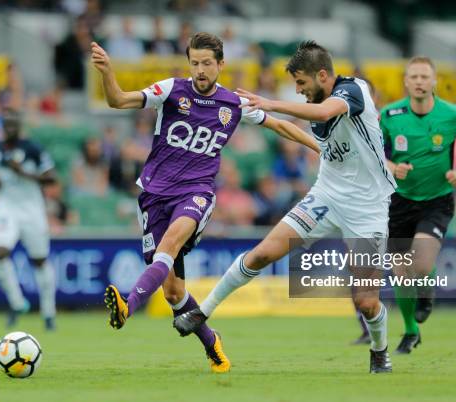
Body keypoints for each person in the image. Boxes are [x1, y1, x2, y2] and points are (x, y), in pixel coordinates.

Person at [91, 32, 319, 374]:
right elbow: (118, 101)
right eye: (195, 63)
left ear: (221, 64)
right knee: (173, 293)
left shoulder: (234, 104)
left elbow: (280, 125)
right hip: (154, 194)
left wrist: (320, 148)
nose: (200, 70)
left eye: (207, 63)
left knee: (170, 244)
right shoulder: (170, 91)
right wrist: (108, 72)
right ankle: (212, 342)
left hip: (196, 192)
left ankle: (128, 304)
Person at [174, 40, 397, 373]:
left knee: (366, 302)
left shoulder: (354, 91)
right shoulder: (316, 100)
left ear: (323, 75)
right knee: (264, 252)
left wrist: (271, 103)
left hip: (368, 209)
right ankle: (202, 311)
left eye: (302, 83)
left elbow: (323, 113)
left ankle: (379, 350)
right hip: (326, 196)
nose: (299, 90)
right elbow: (297, 125)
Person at [379, 56, 456, 354]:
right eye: (413, 76)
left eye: (424, 77)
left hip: (436, 201)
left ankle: (426, 292)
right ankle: (411, 332)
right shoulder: (389, 114)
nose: (418, 82)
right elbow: (371, 149)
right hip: (398, 202)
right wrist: (390, 165)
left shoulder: (454, 115)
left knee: (422, 263)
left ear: (434, 81)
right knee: (401, 273)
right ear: (405, 81)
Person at [0, 108, 58, 330]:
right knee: (1, 251)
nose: (9, 129)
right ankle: (17, 302)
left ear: (19, 127)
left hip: (32, 209)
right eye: (6, 125)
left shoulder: (33, 149)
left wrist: (22, 173)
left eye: (13, 125)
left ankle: (48, 313)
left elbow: (51, 177)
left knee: (39, 260)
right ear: (2, 127)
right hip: (7, 208)